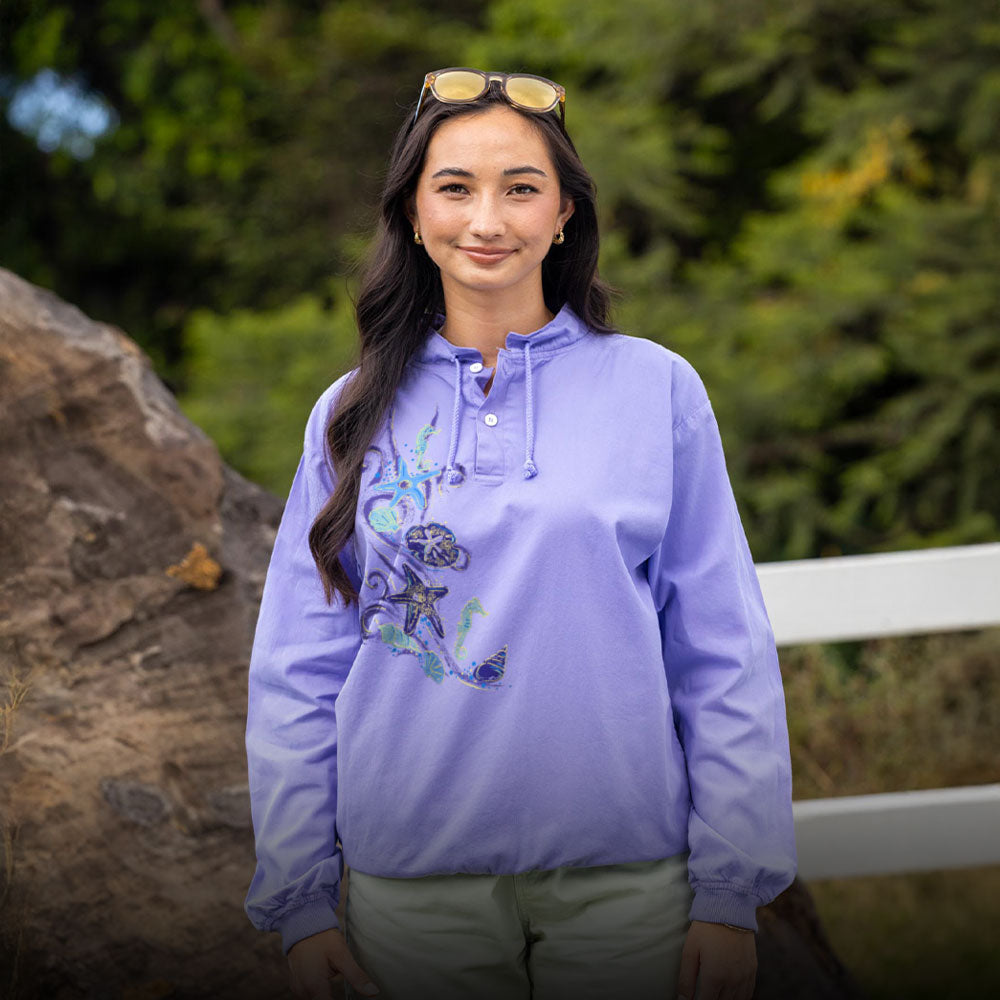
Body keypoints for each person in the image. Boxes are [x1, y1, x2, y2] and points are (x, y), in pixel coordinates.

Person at [244, 67, 797, 1000]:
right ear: (413, 215)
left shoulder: (657, 389)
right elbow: (300, 666)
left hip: (628, 886)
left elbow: (723, 649)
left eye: (522, 188)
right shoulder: (346, 414)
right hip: (409, 889)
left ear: (566, 214)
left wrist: (729, 889)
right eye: (454, 188)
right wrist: (301, 901)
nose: (486, 219)